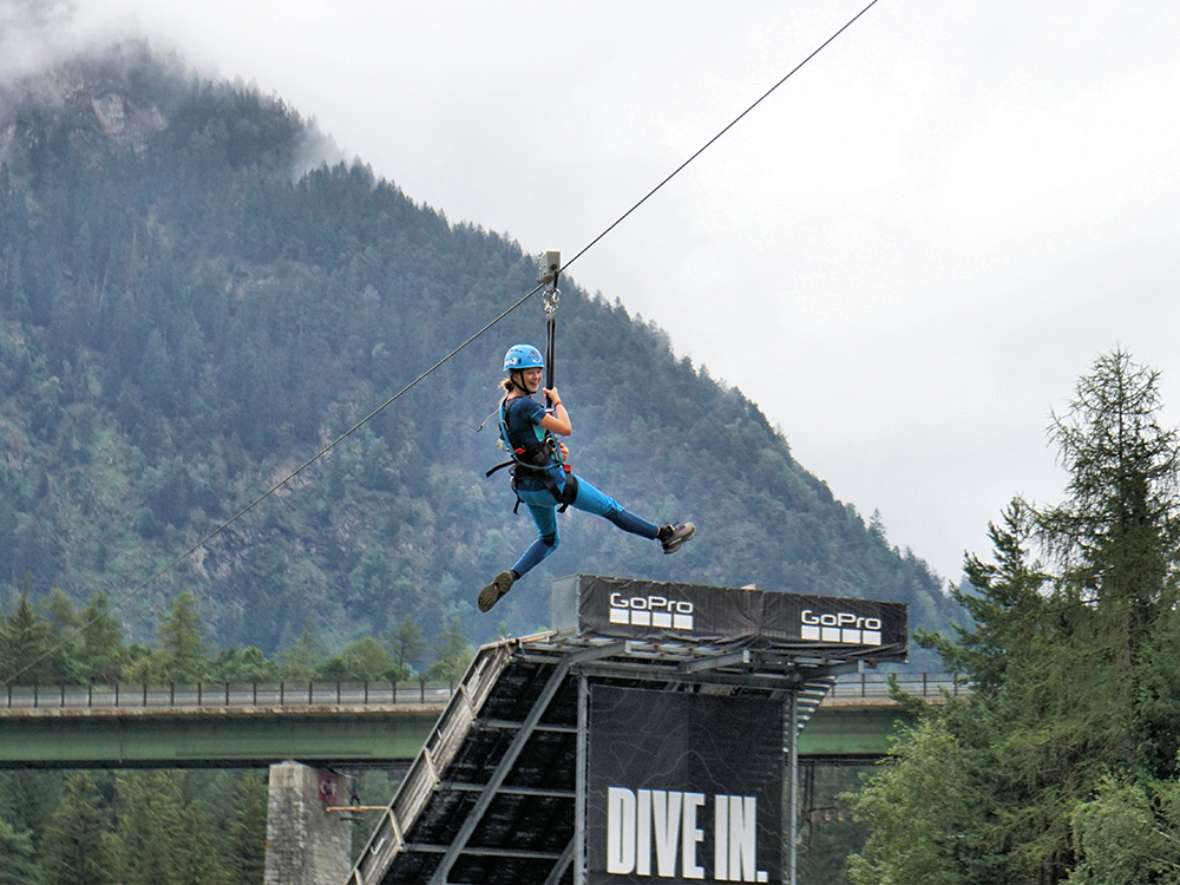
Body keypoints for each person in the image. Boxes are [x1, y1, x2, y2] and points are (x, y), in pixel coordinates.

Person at [479, 344, 695, 612]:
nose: (536, 377)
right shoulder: (526, 406)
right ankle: (664, 535)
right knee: (612, 510)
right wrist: (556, 401)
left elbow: (520, 441)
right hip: (553, 486)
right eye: (530, 372)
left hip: (526, 487)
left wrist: (551, 448)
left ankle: (512, 575)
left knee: (548, 540)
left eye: (538, 371)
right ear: (516, 375)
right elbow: (566, 428)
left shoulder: (504, 407)